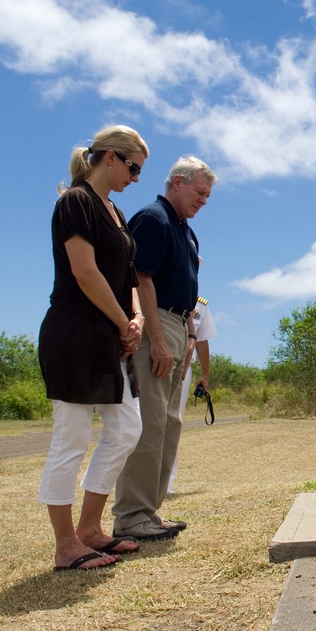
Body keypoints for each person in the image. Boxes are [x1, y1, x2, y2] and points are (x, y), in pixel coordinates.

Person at [38, 125, 149, 571]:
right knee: (72, 436)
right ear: (109, 157)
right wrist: (126, 323)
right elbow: (85, 274)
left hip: (113, 339)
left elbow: (127, 278)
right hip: (75, 335)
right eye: (133, 167)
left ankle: (89, 529)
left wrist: (137, 317)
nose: (136, 177)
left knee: (125, 429)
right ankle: (66, 545)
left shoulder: (117, 214)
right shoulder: (75, 202)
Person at [112, 156, 216, 541]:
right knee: (150, 423)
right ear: (177, 182)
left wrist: (188, 336)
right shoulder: (153, 218)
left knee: (169, 423)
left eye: (208, 195)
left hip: (178, 325)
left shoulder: (185, 231)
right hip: (155, 322)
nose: (204, 200)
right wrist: (156, 339)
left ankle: (148, 511)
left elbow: (187, 290)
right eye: (200, 192)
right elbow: (140, 278)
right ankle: (130, 514)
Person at [168, 293, 217, 493]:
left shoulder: (200, 305)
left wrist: (205, 375)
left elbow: (202, 340)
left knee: (173, 420)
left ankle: (167, 481)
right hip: (151, 358)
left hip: (183, 366)